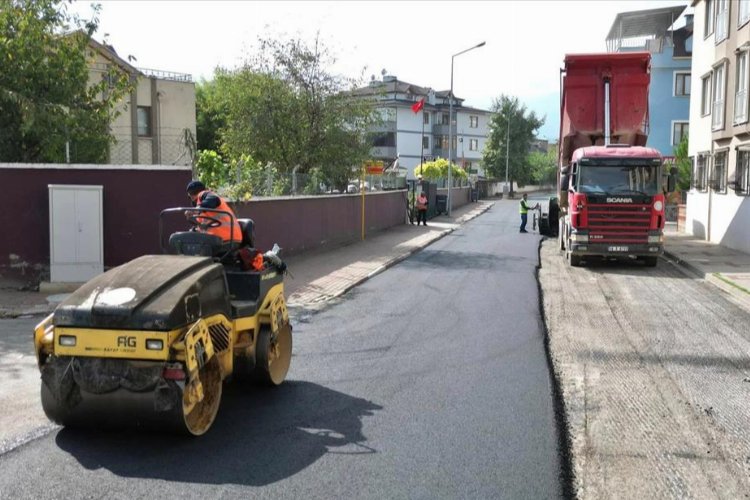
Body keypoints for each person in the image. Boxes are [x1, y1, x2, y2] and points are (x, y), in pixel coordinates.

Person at [186, 180, 242, 245]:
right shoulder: (202, 212)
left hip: (226, 239)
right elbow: (203, 227)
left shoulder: (204, 194)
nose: (192, 199)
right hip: (224, 239)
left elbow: (213, 199)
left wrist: (195, 210)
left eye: (191, 195)